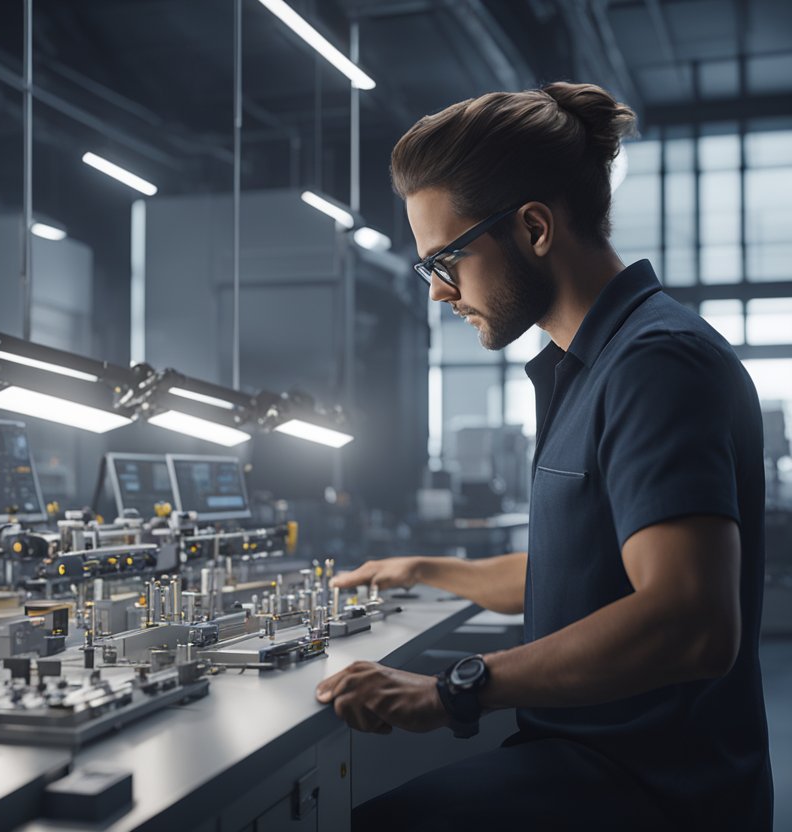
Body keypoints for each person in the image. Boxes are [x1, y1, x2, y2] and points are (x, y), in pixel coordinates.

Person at [315, 81, 773, 831]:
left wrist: (453, 688)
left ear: (533, 229)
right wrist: (429, 571)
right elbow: (588, 574)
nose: (438, 292)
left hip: (654, 791)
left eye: (448, 259)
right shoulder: (591, 365)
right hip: (590, 759)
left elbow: (692, 620)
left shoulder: (656, 364)